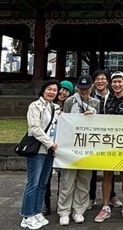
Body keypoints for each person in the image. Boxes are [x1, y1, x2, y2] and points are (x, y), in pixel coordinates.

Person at [95, 71, 123, 223]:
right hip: (108, 144)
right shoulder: (105, 100)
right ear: (110, 83)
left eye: (120, 82)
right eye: (114, 82)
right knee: (107, 174)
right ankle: (105, 207)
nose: (117, 84)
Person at [57, 75, 99, 225]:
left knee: (84, 180)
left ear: (91, 88)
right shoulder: (69, 102)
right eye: (81, 88)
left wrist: (93, 116)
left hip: (87, 147)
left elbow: (100, 124)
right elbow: (64, 122)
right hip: (70, 146)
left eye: (87, 88)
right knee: (67, 181)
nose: (84, 91)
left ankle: (79, 210)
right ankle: (64, 211)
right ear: (77, 89)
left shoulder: (96, 103)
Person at [20, 80, 60, 230]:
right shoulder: (35, 106)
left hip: (50, 151)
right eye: (49, 89)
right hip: (38, 149)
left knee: (43, 183)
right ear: (43, 90)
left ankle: (37, 212)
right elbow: (34, 128)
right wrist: (50, 143)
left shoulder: (55, 107)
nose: (52, 92)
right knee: (33, 183)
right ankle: (26, 215)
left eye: (54, 90)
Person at [89, 70, 122, 210]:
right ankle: (91, 196)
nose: (100, 81)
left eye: (103, 79)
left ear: (107, 81)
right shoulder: (88, 96)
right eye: (97, 79)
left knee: (110, 167)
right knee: (91, 167)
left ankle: (112, 195)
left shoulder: (113, 97)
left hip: (110, 136)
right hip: (93, 136)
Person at [44, 79, 75, 215]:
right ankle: (46, 203)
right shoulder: (48, 105)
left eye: (67, 91)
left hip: (63, 146)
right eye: (61, 89)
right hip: (48, 143)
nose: (63, 92)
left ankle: (62, 204)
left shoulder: (70, 107)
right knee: (46, 176)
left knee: (63, 178)